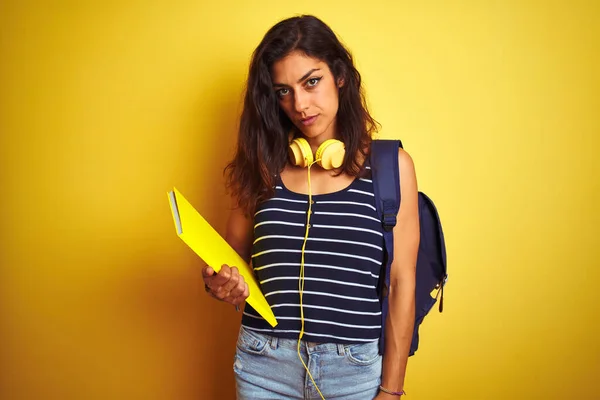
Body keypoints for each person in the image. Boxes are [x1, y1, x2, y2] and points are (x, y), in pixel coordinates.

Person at [202, 14, 419, 400]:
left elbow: (402, 284)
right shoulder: (263, 165)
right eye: (283, 91)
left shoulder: (391, 166)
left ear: (339, 76)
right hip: (262, 364)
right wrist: (221, 282)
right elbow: (229, 257)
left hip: (352, 371)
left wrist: (392, 390)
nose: (299, 105)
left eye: (311, 82)